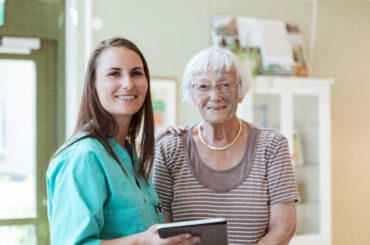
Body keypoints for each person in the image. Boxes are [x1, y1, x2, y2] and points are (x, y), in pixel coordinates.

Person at [46, 37, 200, 245]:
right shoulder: (83, 157)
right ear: (94, 84)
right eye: (114, 74)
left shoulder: (127, 153)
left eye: (136, 73)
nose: (128, 83)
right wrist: (143, 241)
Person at [152, 47, 299, 245]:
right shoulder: (169, 149)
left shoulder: (271, 145)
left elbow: (283, 228)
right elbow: (161, 231)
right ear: (192, 94)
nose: (215, 96)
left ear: (240, 91)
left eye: (225, 84)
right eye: (203, 86)